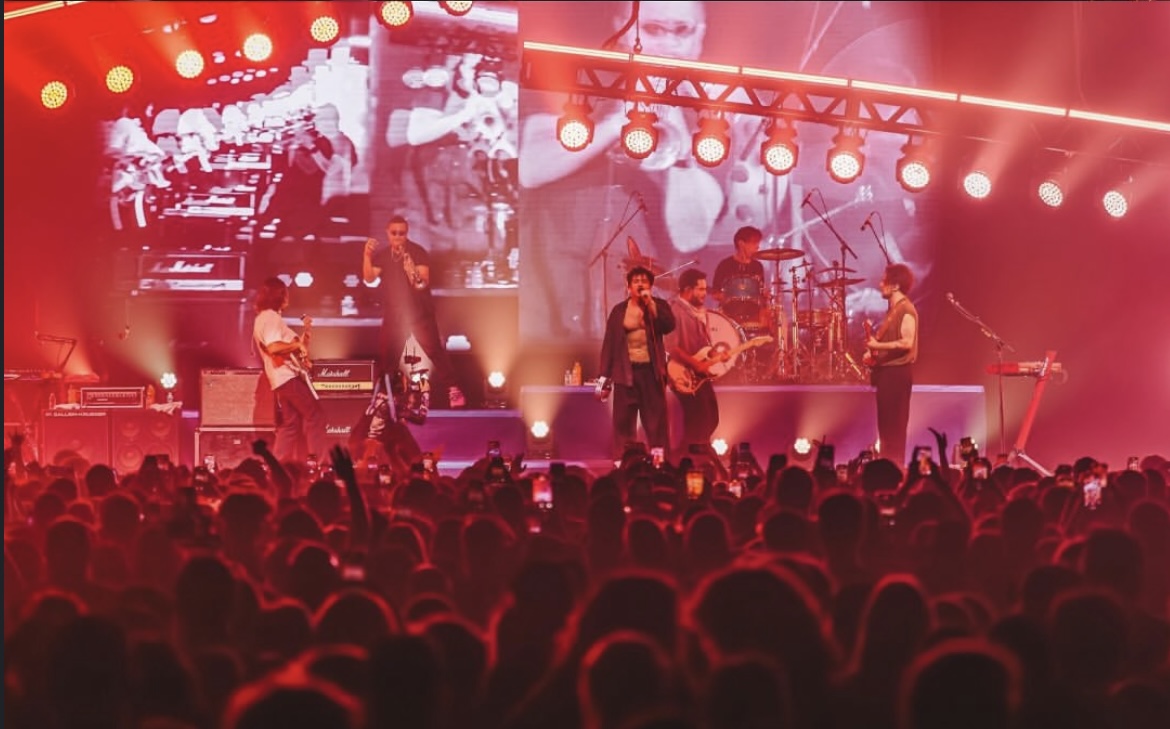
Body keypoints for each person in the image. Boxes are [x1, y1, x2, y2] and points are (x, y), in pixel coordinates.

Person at [363, 215, 466, 408]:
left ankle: (453, 389)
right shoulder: (383, 255)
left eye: (401, 233)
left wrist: (411, 270)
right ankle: (385, 395)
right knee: (388, 356)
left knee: (434, 350)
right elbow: (369, 278)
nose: (398, 237)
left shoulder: (417, 252)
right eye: (394, 233)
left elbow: (422, 283)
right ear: (388, 233)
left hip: (419, 313)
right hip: (395, 315)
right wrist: (367, 256)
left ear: (406, 233)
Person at [596, 266, 677, 457]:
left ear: (650, 286)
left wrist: (651, 305)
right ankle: (624, 462)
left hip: (651, 373)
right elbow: (609, 344)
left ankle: (660, 463)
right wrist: (603, 378)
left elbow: (669, 326)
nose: (640, 284)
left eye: (644, 281)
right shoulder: (619, 311)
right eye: (636, 281)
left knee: (656, 423)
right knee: (623, 424)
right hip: (625, 374)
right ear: (628, 286)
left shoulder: (658, 306)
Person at [252, 276, 328, 465]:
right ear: (279, 295)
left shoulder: (267, 318)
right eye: (285, 292)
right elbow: (273, 347)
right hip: (286, 377)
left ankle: (276, 465)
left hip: (281, 379)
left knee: (290, 425)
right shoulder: (270, 317)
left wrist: (306, 333)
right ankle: (318, 464)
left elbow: (296, 348)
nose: (288, 296)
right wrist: (297, 347)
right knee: (315, 416)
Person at [665, 268, 727, 456]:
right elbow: (672, 347)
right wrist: (695, 364)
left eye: (704, 289)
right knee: (700, 419)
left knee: (710, 418)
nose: (704, 293)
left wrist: (718, 354)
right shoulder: (674, 311)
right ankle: (688, 460)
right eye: (700, 289)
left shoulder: (699, 312)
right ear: (687, 289)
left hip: (698, 373)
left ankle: (690, 457)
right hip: (682, 373)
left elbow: (702, 347)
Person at [864, 263, 919, 468]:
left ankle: (895, 470)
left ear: (895, 285)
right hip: (888, 374)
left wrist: (878, 345)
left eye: (883, 281)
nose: (880, 284)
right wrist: (874, 355)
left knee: (894, 428)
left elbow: (907, 342)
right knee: (886, 429)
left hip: (897, 374)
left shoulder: (906, 308)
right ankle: (888, 467)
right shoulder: (893, 310)